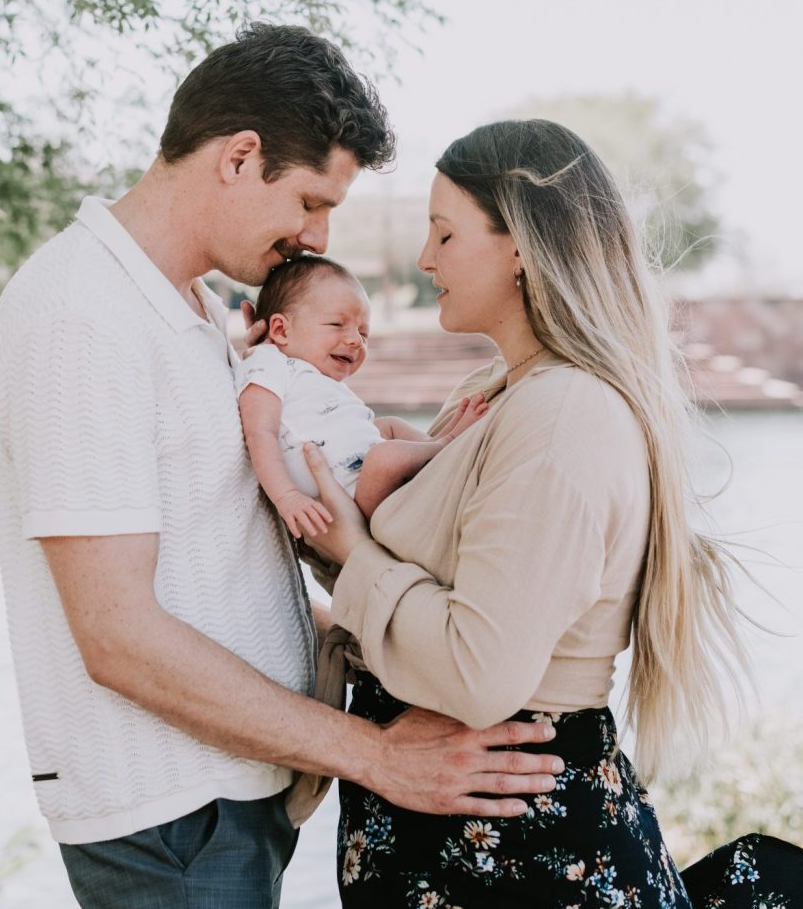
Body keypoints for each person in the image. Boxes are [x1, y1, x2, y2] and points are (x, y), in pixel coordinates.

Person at [0, 26, 563, 909]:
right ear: (241, 155)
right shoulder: (80, 320)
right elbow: (117, 635)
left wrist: (409, 652)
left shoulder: (202, 314)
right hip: (171, 819)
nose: (317, 236)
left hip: (227, 801)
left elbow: (225, 553)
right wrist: (376, 757)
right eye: (312, 200)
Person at [298, 119, 803, 906]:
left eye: (444, 232)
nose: (424, 258)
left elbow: (478, 672)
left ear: (520, 246)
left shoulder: (564, 413)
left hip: (519, 858)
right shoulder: (499, 393)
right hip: (472, 837)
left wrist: (354, 557)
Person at [236, 255, 489, 530]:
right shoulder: (266, 362)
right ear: (281, 329)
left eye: (364, 333)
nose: (356, 340)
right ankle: (446, 445)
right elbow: (260, 435)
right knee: (383, 456)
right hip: (352, 499)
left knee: (389, 426)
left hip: (371, 476)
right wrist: (287, 497)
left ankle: (435, 445)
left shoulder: (314, 377)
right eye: (336, 324)